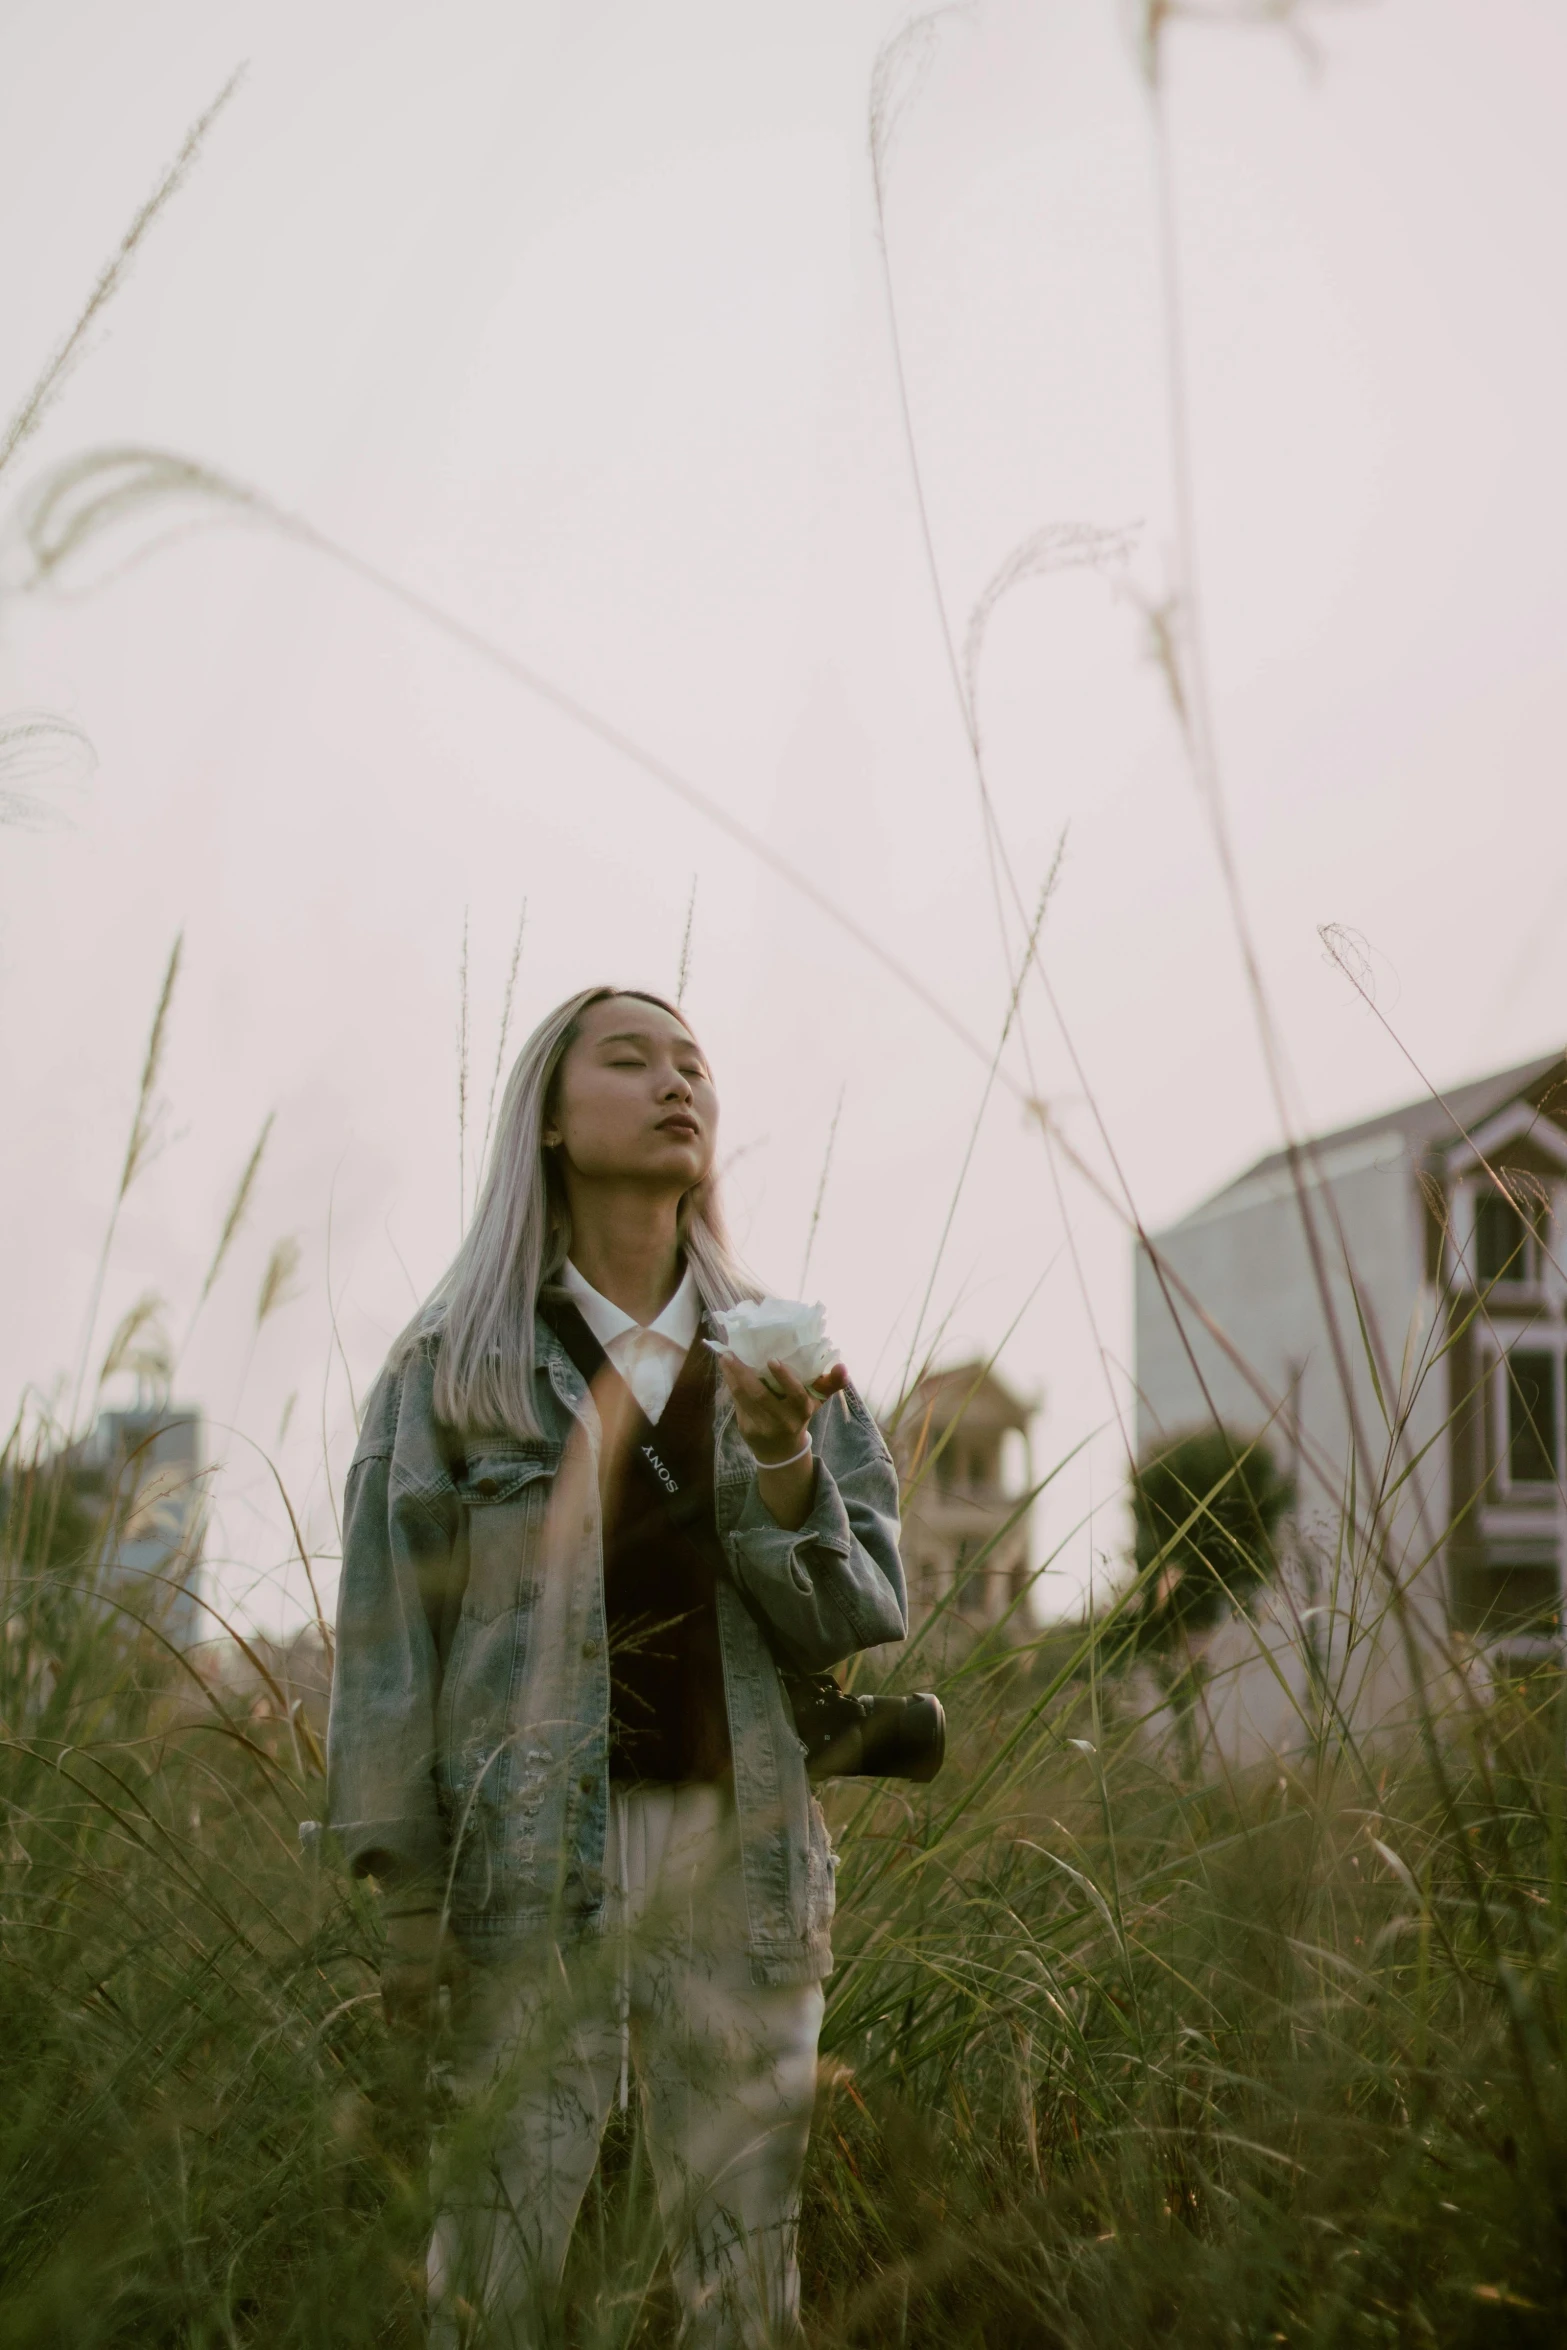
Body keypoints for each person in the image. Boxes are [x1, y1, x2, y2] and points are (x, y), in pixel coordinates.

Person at [325, 984, 907, 2346]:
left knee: (738, 2266)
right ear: (546, 1117)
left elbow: (857, 1604)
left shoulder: (781, 1350)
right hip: (521, 1868)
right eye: (630, 1057)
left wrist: (777, 1455)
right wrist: (405, 1898)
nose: (674, 1081)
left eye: (693, 1062)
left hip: (737, 1855)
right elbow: (385, 1648)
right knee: (494, 2256)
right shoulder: (455, 1365)